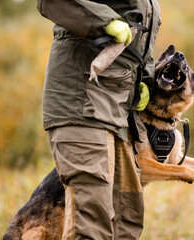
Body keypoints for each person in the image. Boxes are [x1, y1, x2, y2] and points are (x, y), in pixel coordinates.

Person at [37, 0, 161, 239]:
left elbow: (139, 39)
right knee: (92, 225)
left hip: (122, 114)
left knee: (126, 220)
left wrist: (146, 78)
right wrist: (105, 22)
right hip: (83, 104)